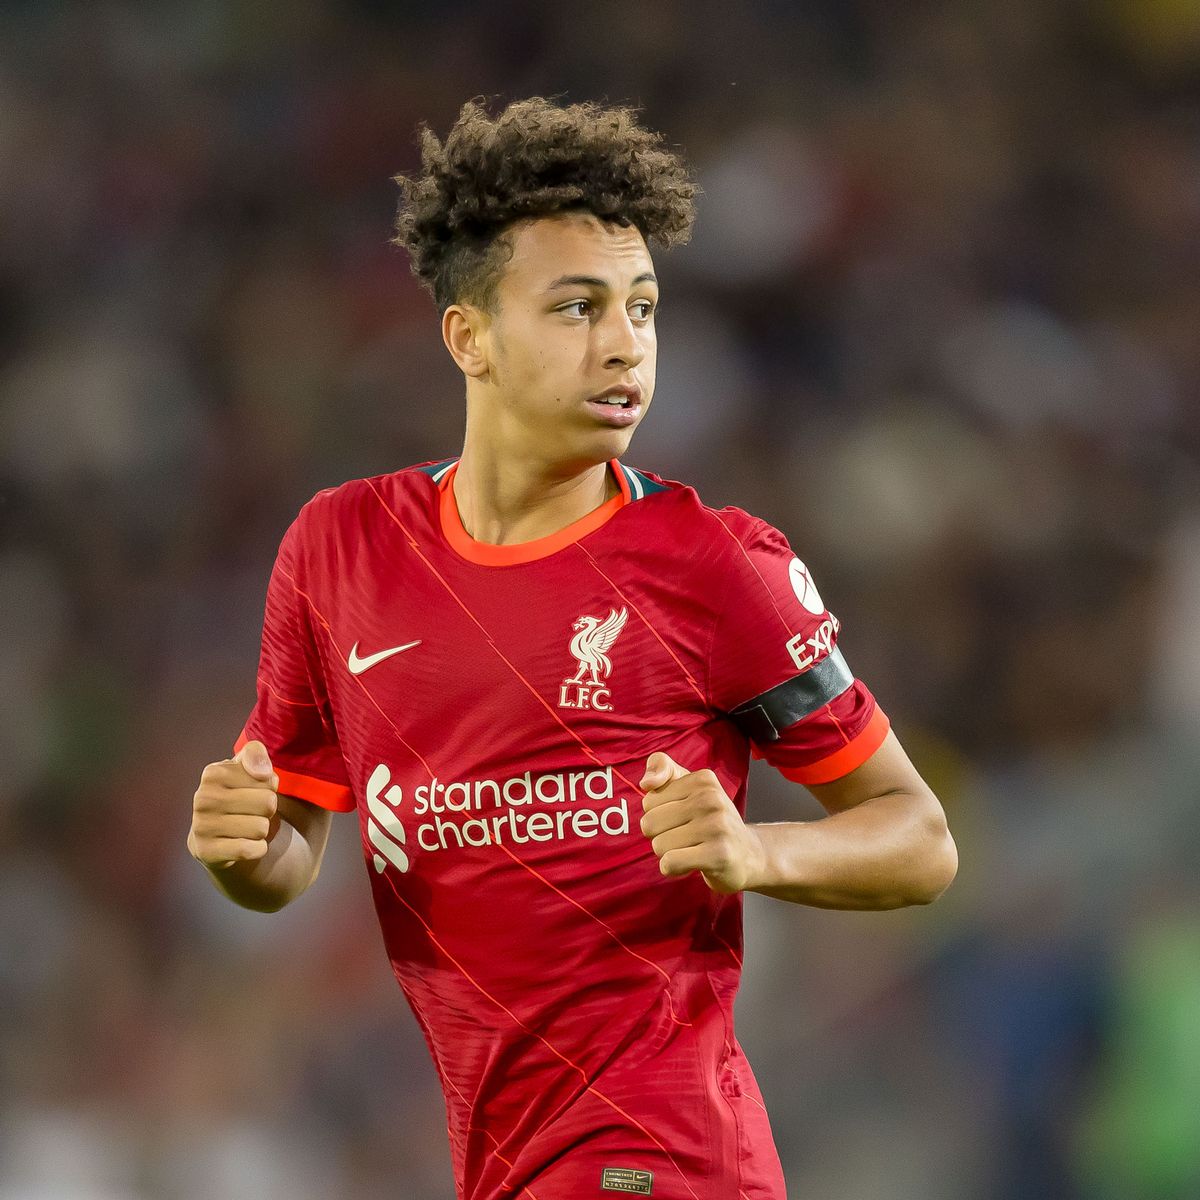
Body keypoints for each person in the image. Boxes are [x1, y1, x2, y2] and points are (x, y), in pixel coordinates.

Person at [188, 96, 958, 1200]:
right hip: (501, 1158)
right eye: (577, 308)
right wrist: (241, 855)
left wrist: (755, 854)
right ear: (470, 337)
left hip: (662, 1152)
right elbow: (290, 855)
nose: (625, 344)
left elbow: (921, 841)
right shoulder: (340, 549)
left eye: (642, 308)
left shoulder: (711, 561)